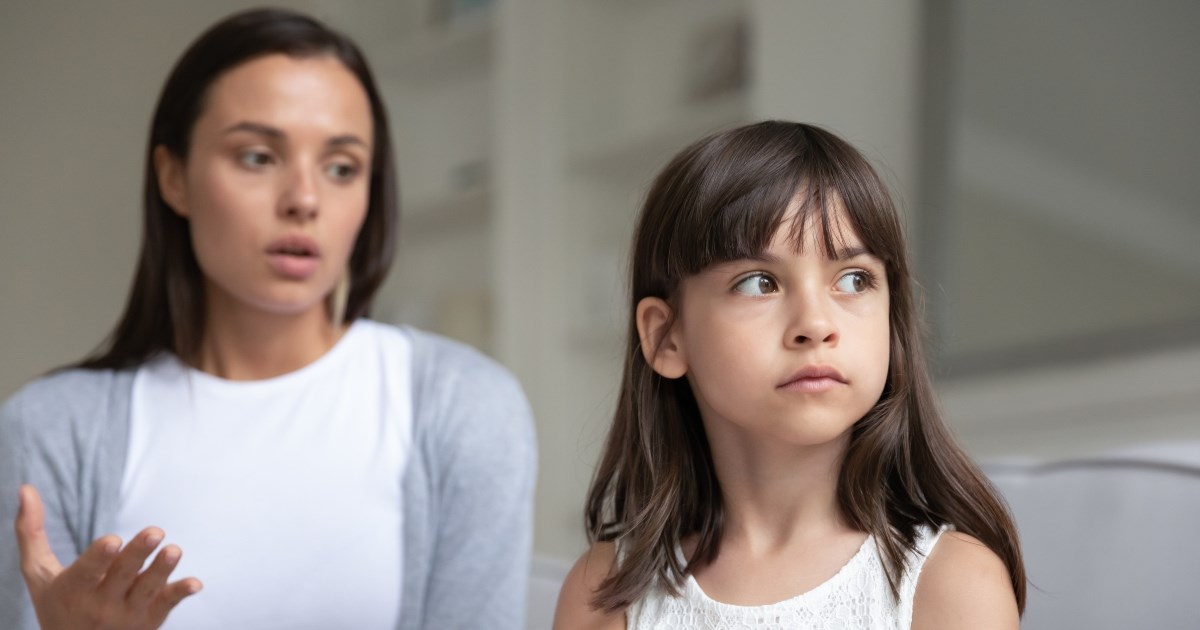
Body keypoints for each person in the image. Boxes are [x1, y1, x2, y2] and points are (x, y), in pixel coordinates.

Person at [0, 8, 535, 630]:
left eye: (342, 167)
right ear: (174, 177)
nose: (305, 199)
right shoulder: (49, 430)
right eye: (258, 157)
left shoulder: (467, 407)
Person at [554, 121, 1024, 629]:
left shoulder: (952, 585)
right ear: (667, 337)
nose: (816, 325)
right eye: (759, 283)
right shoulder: (605, 593)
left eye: (853, 279)